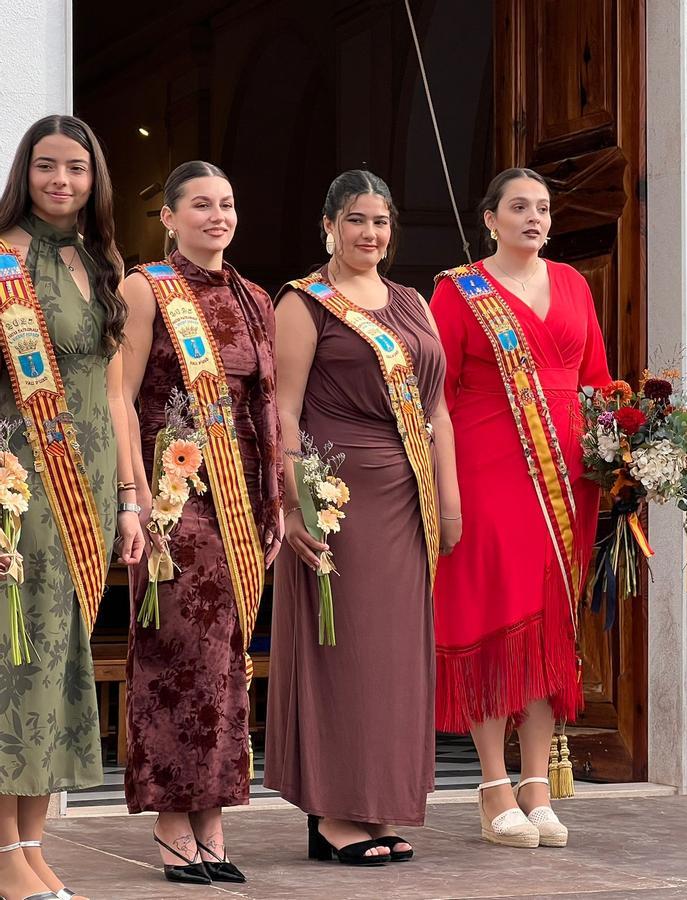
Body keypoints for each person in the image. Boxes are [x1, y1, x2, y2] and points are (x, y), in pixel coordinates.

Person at [265, 170, 453, 865]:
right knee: (344, 654)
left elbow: (437, 410)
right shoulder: (304, 302)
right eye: (355, 220)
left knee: (395, 660)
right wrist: (291, 501)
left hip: (409, 500)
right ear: (328, 226)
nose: (369, 233)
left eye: (380, 221)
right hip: (336, 498)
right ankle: (335, 812)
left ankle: (381, 806)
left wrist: (450, 497)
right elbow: (282, 407)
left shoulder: (412, 301)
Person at [431, 168, 610, 849]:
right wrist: (445, 486)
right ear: (490, 219)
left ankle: (537, 785)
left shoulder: (573, 283)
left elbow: (596, 382)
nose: (534, 218)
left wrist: (624, 453)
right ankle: (491, 786)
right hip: (487, 469)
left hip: (568, 478)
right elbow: (435, 394)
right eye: (518, 207)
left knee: (549, 624)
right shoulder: (459, 291)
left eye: (542, 208)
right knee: (498, 614)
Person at [120, 161, 283, 885]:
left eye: (227, 203)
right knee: (176, 655)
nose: (217, 216)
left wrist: (275, 500)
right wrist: (133, 498)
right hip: (176, 497)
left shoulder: (252, 297)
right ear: (168, 216)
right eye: (200, 205)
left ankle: (212, 815)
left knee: (226, 665)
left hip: (242, 504)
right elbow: (120, 396)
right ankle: (170, 819)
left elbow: (267, 407)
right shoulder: (146, 288)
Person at [0, 114, 143, 900]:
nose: (63, 181)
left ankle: (29, 842)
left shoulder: (102, 261)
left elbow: (116, 396)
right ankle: (1, 854)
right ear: (26, 172)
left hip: (88, 489)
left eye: (77, 168)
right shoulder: (4, 261)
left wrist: (129, 497)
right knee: (15, 659)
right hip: (22, 483)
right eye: (48, 166)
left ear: (96, 179)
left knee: (58, 662)